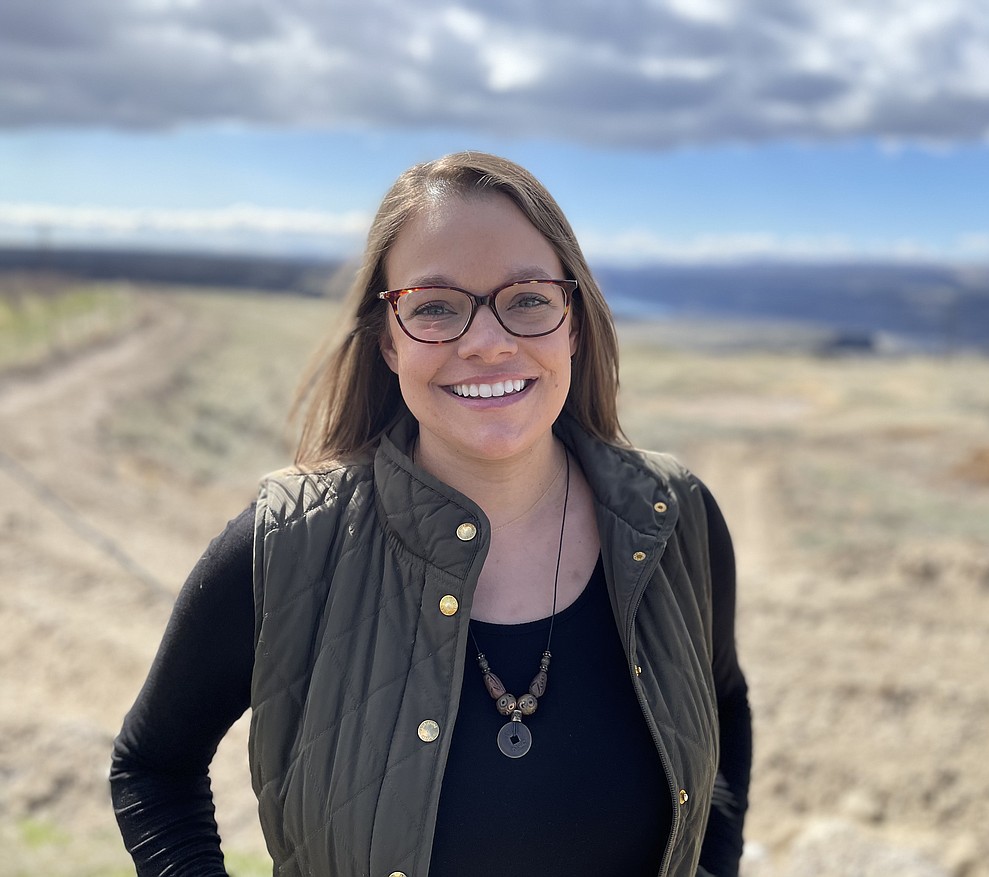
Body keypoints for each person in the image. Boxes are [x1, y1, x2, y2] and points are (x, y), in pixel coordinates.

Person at [110, 151, 751, 877]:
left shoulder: (675, 518)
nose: (487, 341)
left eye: (529, 297)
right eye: (436, 306)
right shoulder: (286, 544)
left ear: (573, 320)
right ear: (388, 340)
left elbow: (723, 700)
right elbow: (152, 766)